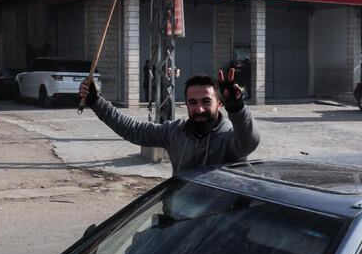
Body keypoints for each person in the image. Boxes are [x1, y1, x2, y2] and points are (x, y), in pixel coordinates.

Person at [78, 69, 259, 175]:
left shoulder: (229, 137)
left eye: (206, 102)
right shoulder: (175, 132)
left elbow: (250, 141)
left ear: (220, 103)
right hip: (179, 216)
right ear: (186, 104)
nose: (199, 109)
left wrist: (238, 110)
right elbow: (133, 130)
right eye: (193, 103)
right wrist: (97, 103)